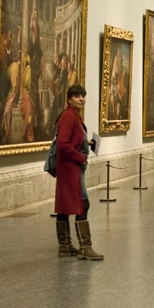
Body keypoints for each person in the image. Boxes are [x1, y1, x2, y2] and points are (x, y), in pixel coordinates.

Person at [53, 84, 102, 260]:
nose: (81, 99)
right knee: (83, 203)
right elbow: (62, 144)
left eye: (83, 95)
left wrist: (85, 143)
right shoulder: (69, 117)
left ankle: (65, 246)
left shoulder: (73, 115)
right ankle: (85, 247)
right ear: (69, 99)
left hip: (69, 167)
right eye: (76, 96)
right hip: (71, 168)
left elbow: (70, 139)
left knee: (64, 207)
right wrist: (80, 157)